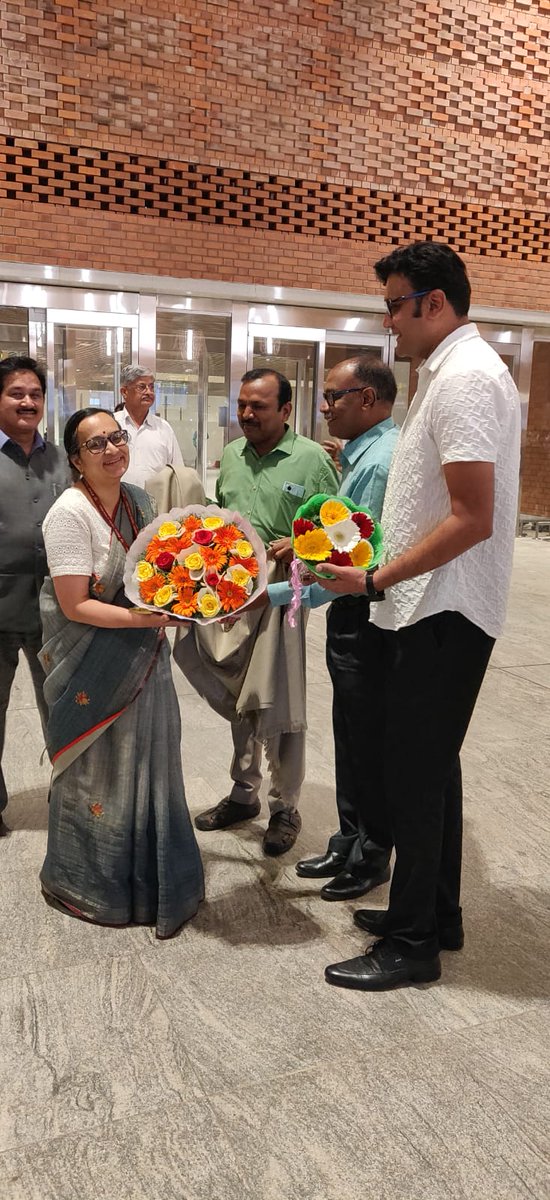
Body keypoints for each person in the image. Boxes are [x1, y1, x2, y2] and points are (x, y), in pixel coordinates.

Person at [317, 242, 520, 991]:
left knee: (412, 774)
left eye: (395, 305)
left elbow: (472, 516)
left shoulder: (465, 377)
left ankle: (412, 945)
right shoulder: (448, 372)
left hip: (445, 605)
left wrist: (374, 578)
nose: (387, 323)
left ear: (434, 303)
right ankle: (438, 913)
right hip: (430, 603)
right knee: (433, 770)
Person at [39, 407, 204, 937]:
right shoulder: (68, 513)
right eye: (96, 445)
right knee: (97, 772)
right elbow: (73, 606)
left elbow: (158, 572)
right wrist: (143, 618)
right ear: (75, 459)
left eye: (116, 438)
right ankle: (91, 883)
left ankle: (154, 880)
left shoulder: (140, 501)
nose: (111, 449)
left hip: (145, 658)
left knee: (152, 761)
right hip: (94, 660)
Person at [174, 368, 338, 856]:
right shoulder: (231, 454)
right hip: (231, 596)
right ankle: (243, 793)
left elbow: (340, 531)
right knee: (238, 695)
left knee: (279, 702)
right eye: (242, 404)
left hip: (283, 598)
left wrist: (302, 542)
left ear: (286, 410)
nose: (246, 414)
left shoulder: (310, 459)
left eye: (259, 406)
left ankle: (285, 806)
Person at [271, 355, 398, 900]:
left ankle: (372, 853)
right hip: (353, 611)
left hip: (368, 616)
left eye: (333, 397)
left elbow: (354, 560)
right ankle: (350, 837)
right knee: (349, 732)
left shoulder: (379, 462)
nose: (324, 408)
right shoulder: (360, 455)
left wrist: (275, 593)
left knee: (368, 739)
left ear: (367, 398)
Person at [0, 355, 70, 835]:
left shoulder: (63, 458)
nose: (27, 402)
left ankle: (70, 798)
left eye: (35, 394)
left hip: (56, 611)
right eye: (15, 393)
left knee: (64, 707)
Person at [115, 364, 184, 487]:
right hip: (116, 502)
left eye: (151, 387)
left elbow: (178, 472)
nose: (149, 392)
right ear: (124, 392)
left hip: (156, 502)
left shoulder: (163, 428)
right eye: (141, 387)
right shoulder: (111, 424)